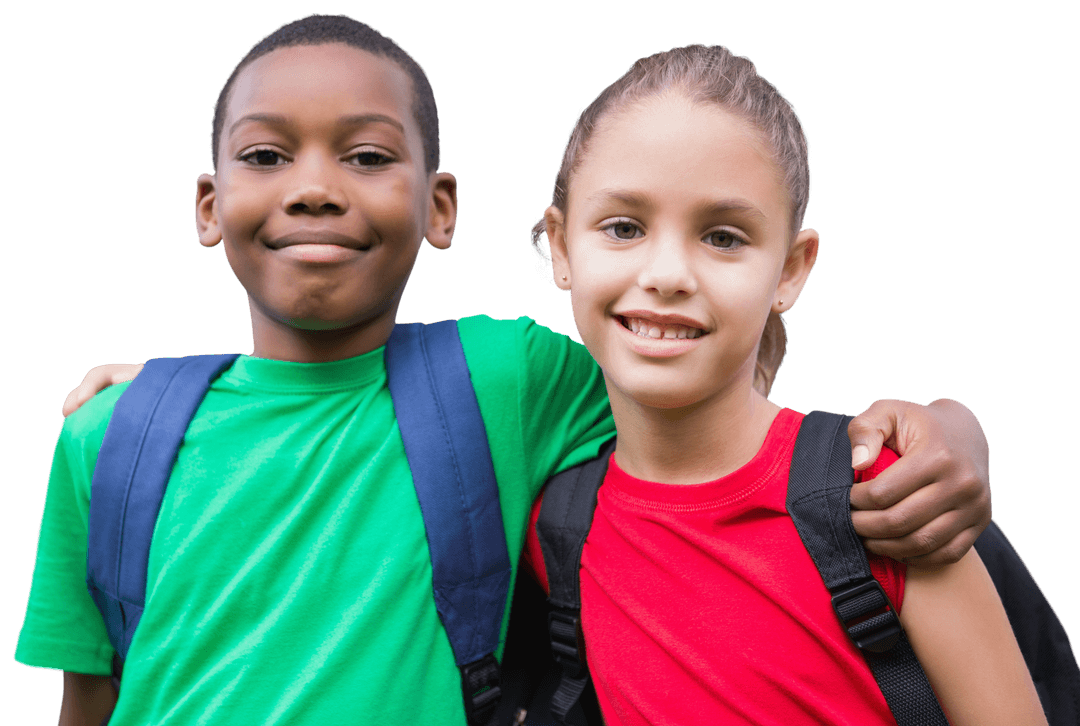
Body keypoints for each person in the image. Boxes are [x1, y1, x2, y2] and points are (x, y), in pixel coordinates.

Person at [21, 15, 992, 726]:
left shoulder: (508, 380)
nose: (315, 190)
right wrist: (157, 399)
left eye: (365, 155)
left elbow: (692, 400)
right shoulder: (111, 439)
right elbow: (90, 701)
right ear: (207, 204)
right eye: (267, 155)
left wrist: (951, 424)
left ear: (442, 208)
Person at [521, 43, 1045, 725]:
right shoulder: (557, 528)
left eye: (725, 237)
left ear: (792, 270)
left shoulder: (885, 503)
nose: (669, 272)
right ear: (562, 248)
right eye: (624, 228)